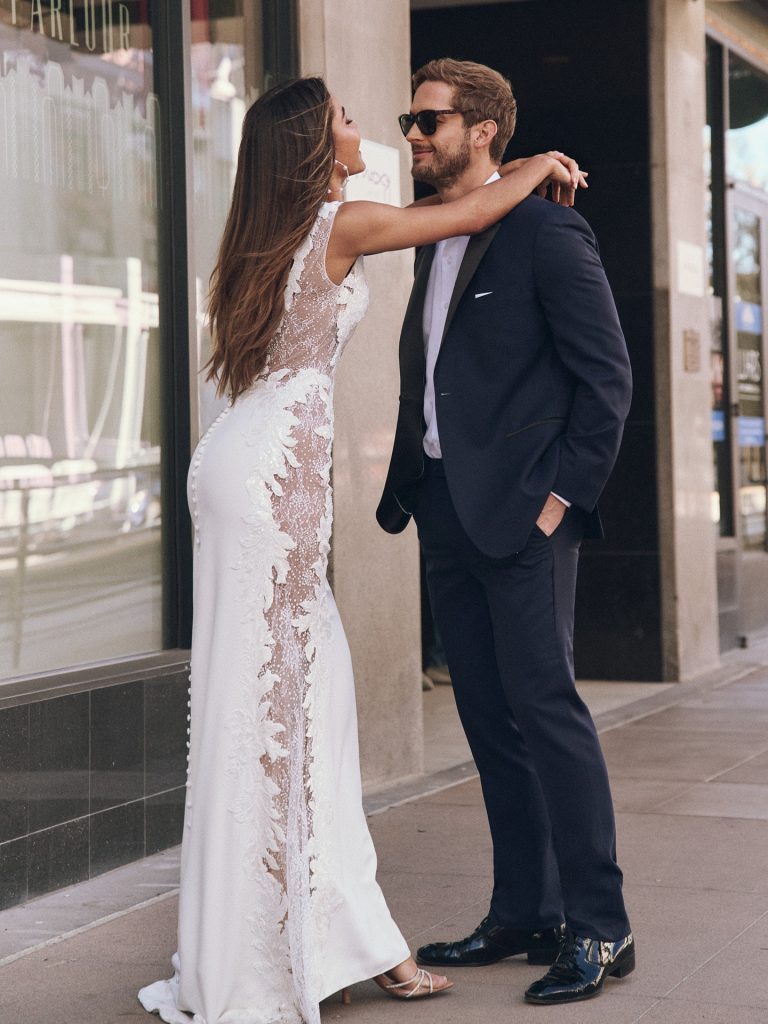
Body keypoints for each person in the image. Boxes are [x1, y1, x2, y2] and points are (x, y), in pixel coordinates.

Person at [137, 76, 582, 1024]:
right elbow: (471, 205)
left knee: (264, 711)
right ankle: (308, 946)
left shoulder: (261, 234)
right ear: (311, 143)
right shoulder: (339, 222)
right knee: (295, 715)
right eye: (345, 118)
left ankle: (312, 936)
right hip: (269, 490)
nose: (366, 128)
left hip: (235, 466)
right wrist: (538, 161)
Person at [377, 58, 635, 1006]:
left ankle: (601, 926)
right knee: (489, 724)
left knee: (548, 714)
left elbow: (607, 380)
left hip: (526, 517)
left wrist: (559, 501)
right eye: (411, 118)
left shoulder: (547, 230)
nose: (412, 134)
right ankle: (523, 910)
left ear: (482, 131)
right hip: (446, 511)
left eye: (427, 120)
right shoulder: (434, 234)